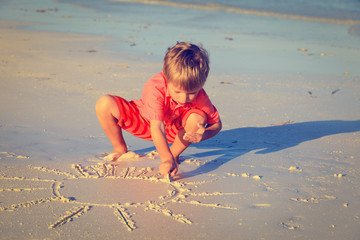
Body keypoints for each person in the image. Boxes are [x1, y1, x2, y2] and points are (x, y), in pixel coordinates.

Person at [95, 42, 222, 177]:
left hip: (177, 131)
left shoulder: (201, 96)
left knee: (198, 118)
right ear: (166, 77)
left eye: (192, 93)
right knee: (104, 103)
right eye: (178, 91)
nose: (184, 98)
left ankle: (173, 154)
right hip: (148, 123)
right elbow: (157, 127)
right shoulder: (155, 87)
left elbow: (217, 124)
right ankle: (119, 147)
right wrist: (164, 158)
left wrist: (204, 135)